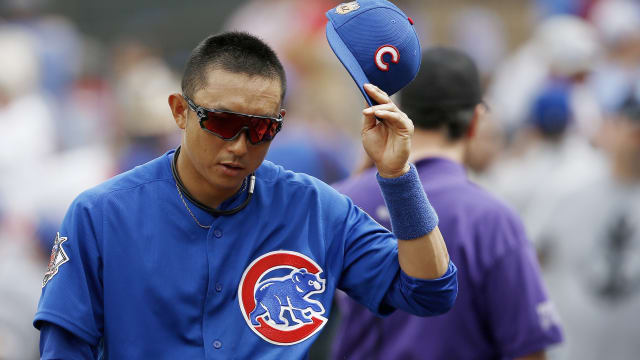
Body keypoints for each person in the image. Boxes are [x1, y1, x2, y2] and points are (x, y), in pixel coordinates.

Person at [33, 31, 457, 359]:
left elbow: (430, 291)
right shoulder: (101, 215)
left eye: (259, 129)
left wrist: (398, 175)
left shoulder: (315, 209)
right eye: (220, 122)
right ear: (180, 111)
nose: (238, 145)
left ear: (279, 123)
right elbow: (65, 348)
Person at [332, 47, 563, 360]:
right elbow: (528, 348)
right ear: (476, 120)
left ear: (401, 111)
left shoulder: (340, 199)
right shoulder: (491, 218)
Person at [535, 91, 640, 360]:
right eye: (628, 124)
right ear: (609, 126)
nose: (634, 136)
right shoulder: (569, 187)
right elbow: (530, 259)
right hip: (571, 349)